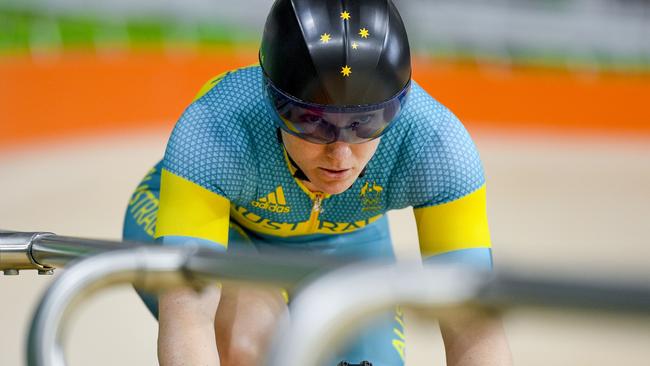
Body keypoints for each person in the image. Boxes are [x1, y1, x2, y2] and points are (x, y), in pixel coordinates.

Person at [123, 0, 512, 365]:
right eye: (311, 122)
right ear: (271, 100)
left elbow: (474, 326)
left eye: (366, 124)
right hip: (224, 229)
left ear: (401, 105)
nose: (340, 156)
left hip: (346, 243)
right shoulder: (216, 128)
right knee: (252, 343)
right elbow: (189, 316)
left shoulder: (436, 146)